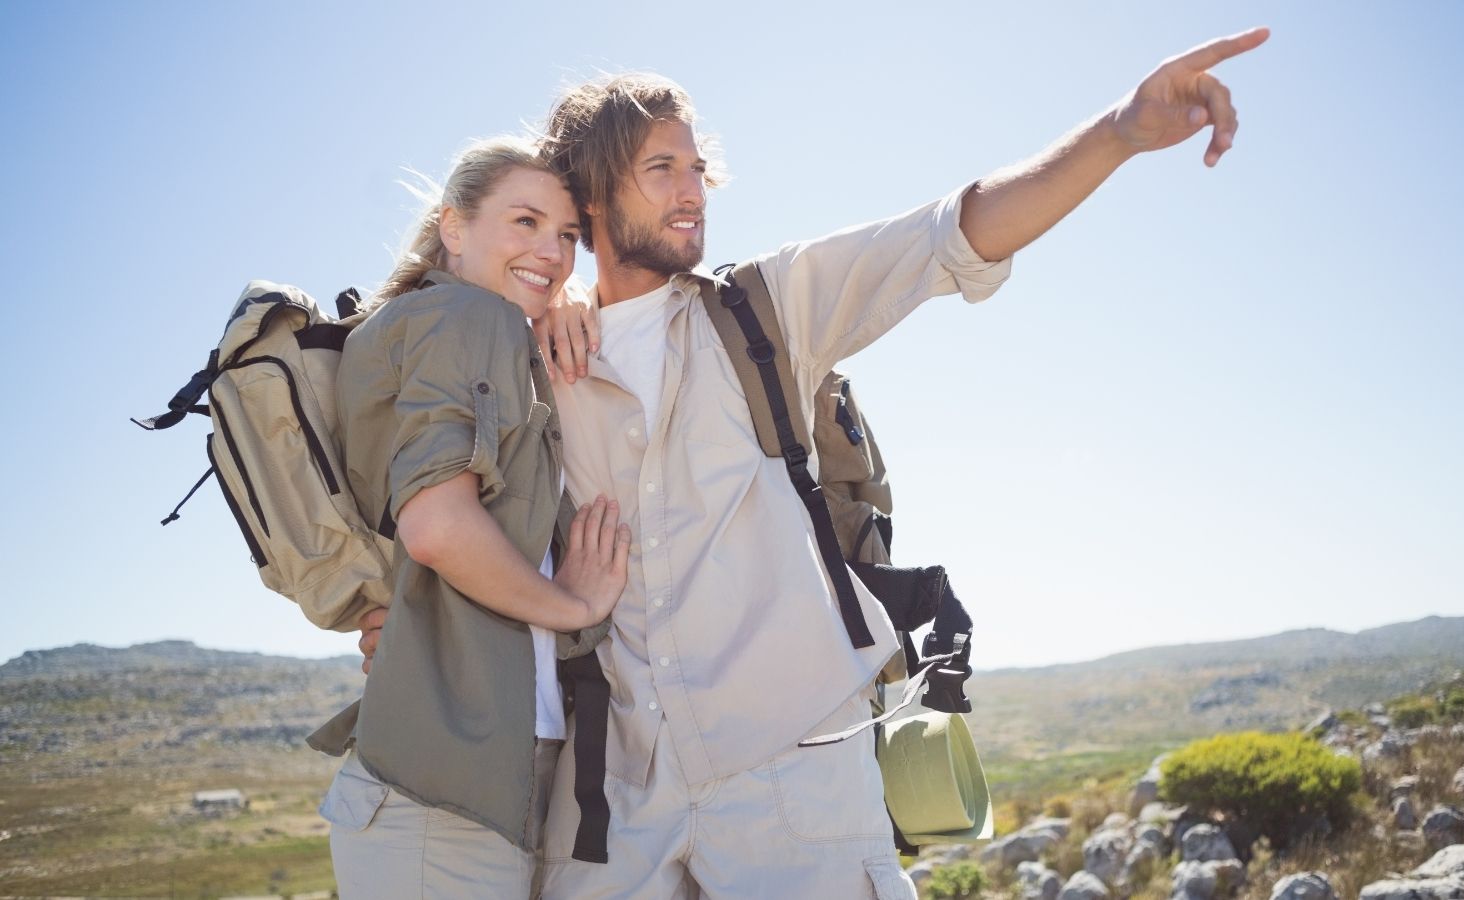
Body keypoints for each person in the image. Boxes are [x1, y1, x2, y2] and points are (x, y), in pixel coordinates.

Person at [361, 27, 1268, 899]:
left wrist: (1119, 132)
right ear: (593, 198)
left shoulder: (767, 309)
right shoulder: (529, 359)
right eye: (661, 170)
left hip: (796, 778)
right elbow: (445, 515)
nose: (693, 192)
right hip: (613, 798)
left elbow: (953, 232)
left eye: (696, 169)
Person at [310, 135, 632, 899]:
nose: (551, 253)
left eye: (566, 237)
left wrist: (568, 303)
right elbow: (438, 526)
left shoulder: (436, 323)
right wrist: (575, 605)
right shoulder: (466, 316)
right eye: (524, 222)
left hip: (468, 774)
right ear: (453, 228)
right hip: (444, 794)